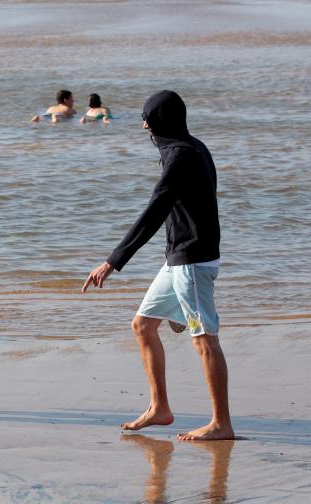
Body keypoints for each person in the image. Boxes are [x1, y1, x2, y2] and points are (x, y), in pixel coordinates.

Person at [82, 90, 233, 441]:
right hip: (180, 261)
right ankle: (159, 408)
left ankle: (221, 424)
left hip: (192, 264)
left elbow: (155, 210)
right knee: (143, 325)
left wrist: (113, 261)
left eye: (147, 118)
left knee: (205, 340)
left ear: (160, 121)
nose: (143, 124)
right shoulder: (189, 146)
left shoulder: (180, 154)